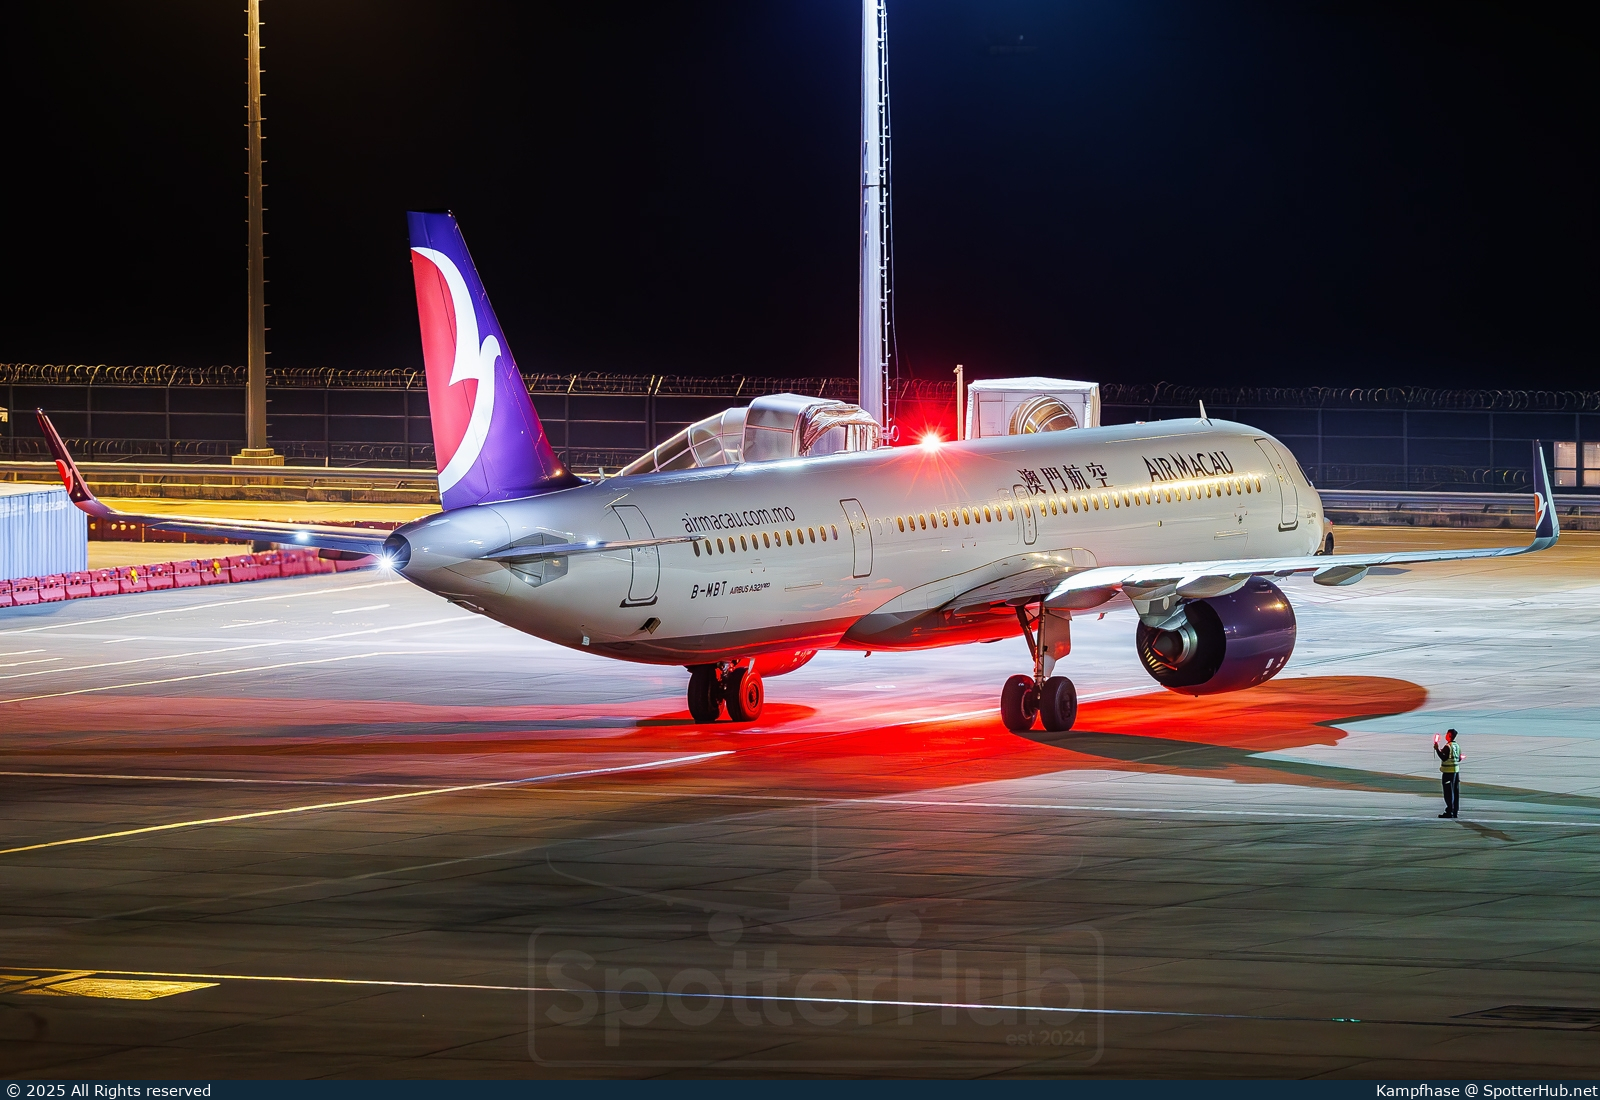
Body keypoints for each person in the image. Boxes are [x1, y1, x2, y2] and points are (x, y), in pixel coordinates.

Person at [1434, 728, 1461, 818]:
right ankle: (1455, 811)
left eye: (1447, 734)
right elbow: (1459, 758)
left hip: (1448, 772)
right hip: (1456, 772)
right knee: (1455, 792)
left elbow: (1444, 758)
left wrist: (1437, 749)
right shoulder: (1457, 745)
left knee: (1448, 793)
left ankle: (1449, 811)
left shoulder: (1448, 746)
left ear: (1449, 735)